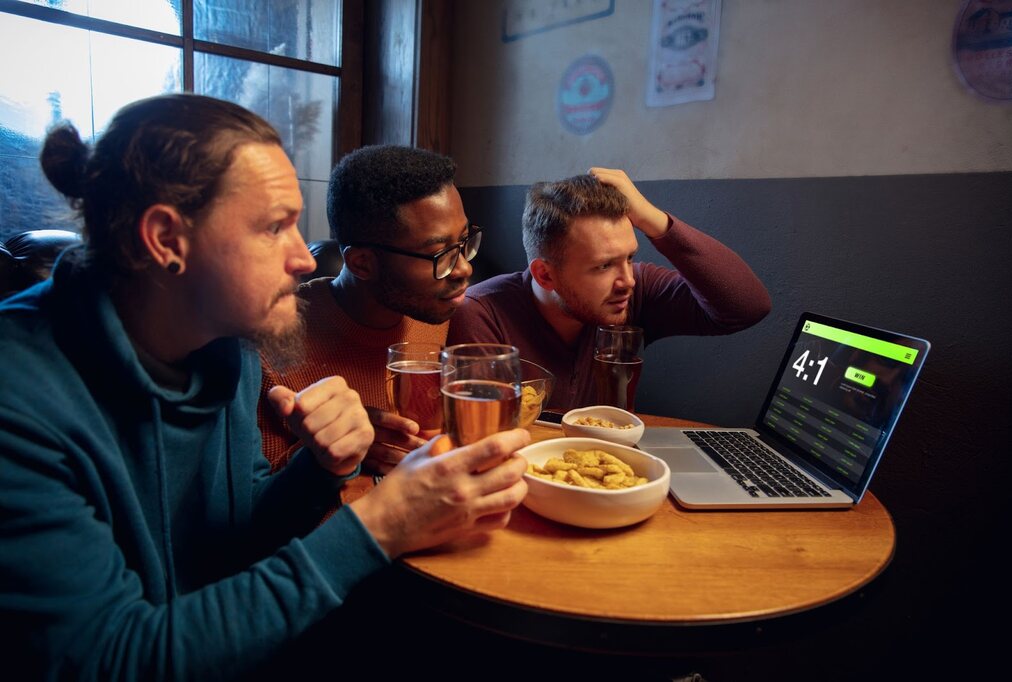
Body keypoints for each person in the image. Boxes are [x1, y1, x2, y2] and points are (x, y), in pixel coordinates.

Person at [0, 94, 528, 680]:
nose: (306, 258)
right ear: (166, 239)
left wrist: (321, 469)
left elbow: (237, 535)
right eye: (275, 226)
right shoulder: (19, 402)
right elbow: (111, 659)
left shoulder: (227, 343)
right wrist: (383, 524)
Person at [447, 168, 772, 411]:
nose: (627, 280)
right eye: (603, 266)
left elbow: (746, 307)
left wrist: (652, 219)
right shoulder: (481, 314)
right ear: (545, 275)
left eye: (629, 258)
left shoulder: (636, 290)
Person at [258, 144, 478, 477]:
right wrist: (334, 453)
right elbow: (251, 509)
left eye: (463, 242)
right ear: (362, 263)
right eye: (440, 254)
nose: (463, 269)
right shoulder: (271, 345)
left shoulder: (442, 315)